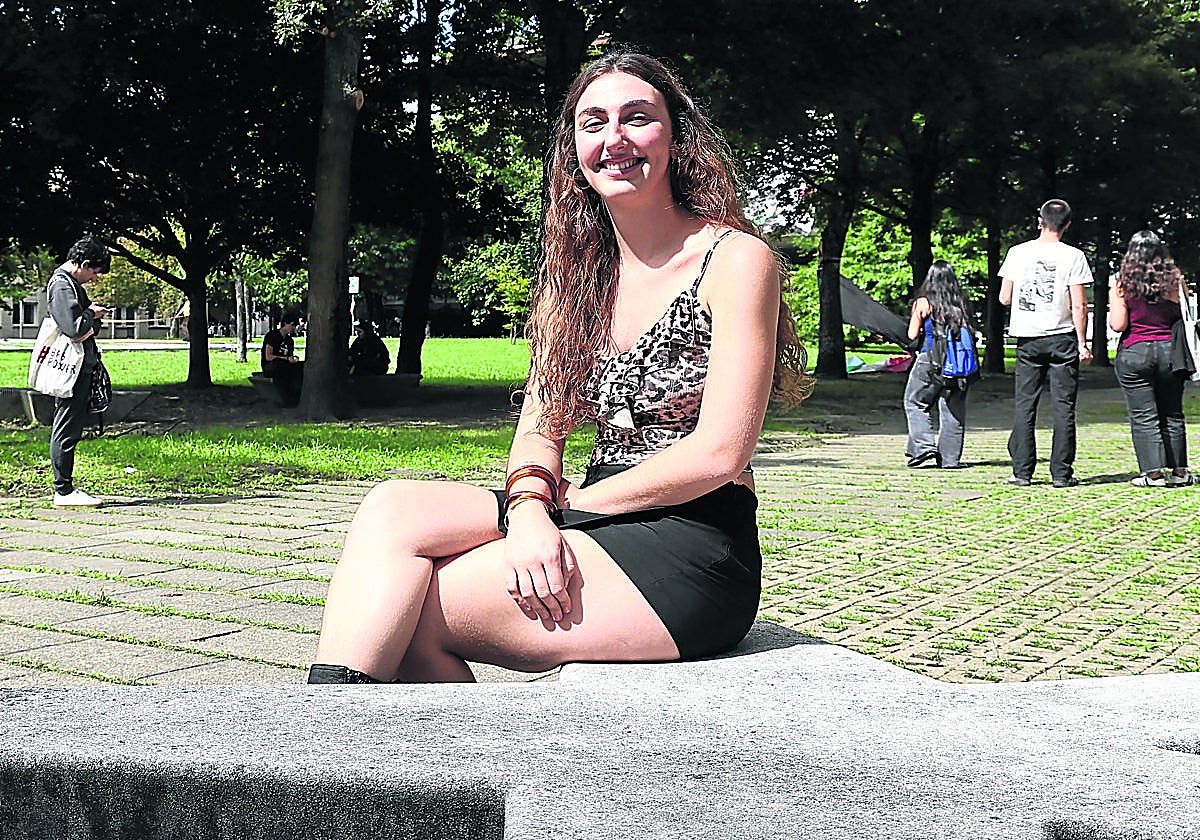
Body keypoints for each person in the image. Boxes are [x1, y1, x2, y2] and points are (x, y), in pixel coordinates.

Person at [306, 51, 812, 684]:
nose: (615, 138)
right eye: (592, 121)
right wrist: (528, 513)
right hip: (588, 511)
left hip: (689, 543)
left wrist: (566, 508)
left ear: (678, 135)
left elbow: (720, 453)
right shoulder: (572, 281)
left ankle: (325, 758)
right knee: (391, 511)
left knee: (405, 609)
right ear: (573, 147)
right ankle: (391, 763)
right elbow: (541, 430)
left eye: (637, 117)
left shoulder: (736, 259)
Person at [998, 198, 1094, 488]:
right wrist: (1082, 342)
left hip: (1028, 337)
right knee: (1063, 406)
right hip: (1061, 337)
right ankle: (1061, 474)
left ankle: (1022, 471)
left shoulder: (1017, 252)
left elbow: (1004, 297)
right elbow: (1079, 306)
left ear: (1039, 221)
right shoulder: (1074, 256)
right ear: (1067, 225)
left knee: (1025, 404)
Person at [1108, 231, 1193, 487]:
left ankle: (1153, 474)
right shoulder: (1175, 280)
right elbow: (1184, 313)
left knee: (1144, 415)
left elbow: (1118, 325)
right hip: (1170, 351)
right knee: (1173, 413)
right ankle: (1180, 472)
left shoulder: (1121, 284)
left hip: (1135, 351)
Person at [47, 236, 110, 508]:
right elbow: (76, 330)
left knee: (71, 425)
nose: (95, 279)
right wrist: (92, 316)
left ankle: (65, 488)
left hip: (80, 368)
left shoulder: (70, 285)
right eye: (95, 272)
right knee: (67, 427)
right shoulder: (62, 287)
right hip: (71, 370)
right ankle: (63, 490)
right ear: (84, 264)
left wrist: (90, 317)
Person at [903, 261, 974, 469]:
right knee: (953, 410)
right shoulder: (963, 303)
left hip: (930, 360)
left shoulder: (924, 302)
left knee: (915, 402)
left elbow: (912, 334)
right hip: (959, 364)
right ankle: (950, 460)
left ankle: (924, 447)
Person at [260, 311, 303, 406]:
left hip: (285, 366)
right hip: (271, 366)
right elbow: (268, 357)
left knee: (299, 367)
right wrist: (286, 359)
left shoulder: (290, 341)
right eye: (292, 325)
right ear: (285, 324)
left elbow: (290, 356)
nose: (293, 328)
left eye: (295, 326)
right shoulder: (272, 336)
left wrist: (291, 360)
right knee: (278, 364)